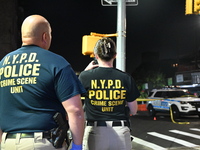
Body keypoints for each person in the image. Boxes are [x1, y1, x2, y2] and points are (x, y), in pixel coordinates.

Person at [0, 15, 85, 150]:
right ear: (45, 36)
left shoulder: (3, 64)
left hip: (7, 142)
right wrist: (77, 146)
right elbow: (75, 111)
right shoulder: (56, 63)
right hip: (42, 143)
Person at [78, 37, 140, 150]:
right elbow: (134, 110)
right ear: (115, 55)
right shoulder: (125, 78)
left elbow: (72, 92)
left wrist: (85, 71)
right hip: (120, 131)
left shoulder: (85, 77)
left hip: (95, 131)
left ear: (96, 56)